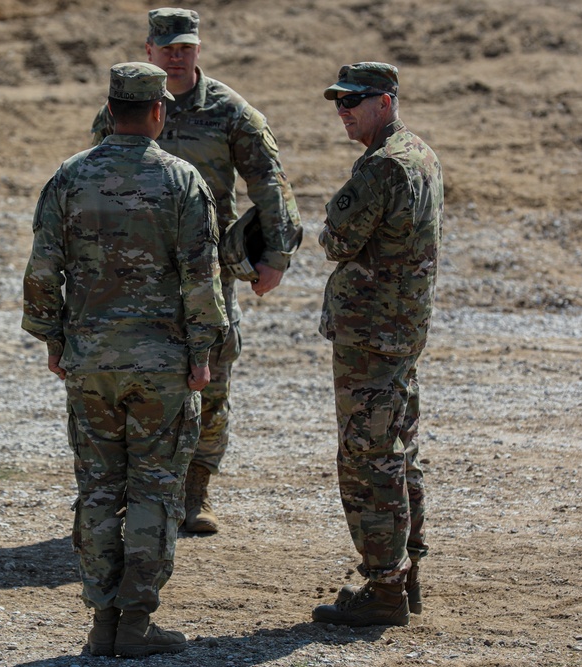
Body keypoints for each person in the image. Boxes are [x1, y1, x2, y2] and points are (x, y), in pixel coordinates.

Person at [24, 63, 228, 657]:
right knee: (154, 492)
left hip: (91, 363)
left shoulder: (69, 177)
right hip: (161, 366)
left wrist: (54, 342)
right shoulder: (183, 181)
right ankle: (133, 622)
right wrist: (202, 353)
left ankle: (101, 621)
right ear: (159, 112)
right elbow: (200, 279)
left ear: (111, 111)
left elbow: (43, 270)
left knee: (96, 489)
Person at [91, 7, 302, 533]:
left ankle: (196, 493)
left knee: (213, 378)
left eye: (185, 46)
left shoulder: (231, 112)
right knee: (135, 380)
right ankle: (134, 492)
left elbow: (270, 183)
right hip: (136, 275)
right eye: (167, 48)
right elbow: (94, 184)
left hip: (207, 270)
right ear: (149, 51)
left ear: (198, 50)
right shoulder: (124, 110)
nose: (176, 55)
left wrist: (276, 255)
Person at [311, 62, 443, 627]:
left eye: (353, 101)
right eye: (337, 101)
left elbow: (336, 239)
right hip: (400, 331)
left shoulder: (383, 167)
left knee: (368, 460)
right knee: (397, 451)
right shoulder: (421, 153)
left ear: (384, 102)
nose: (343, 111)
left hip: (371, 334)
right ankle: (405, 575)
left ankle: (385, 588)